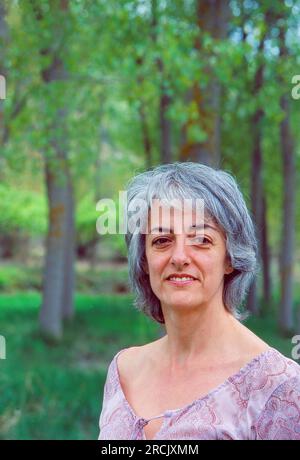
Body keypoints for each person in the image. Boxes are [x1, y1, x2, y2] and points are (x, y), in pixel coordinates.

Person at [98, 162, 300, 440]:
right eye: (162, 240)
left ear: (230, 257)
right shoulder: (123, 371)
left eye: (201, 239)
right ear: (143, 260)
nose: (179, 257)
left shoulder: (280, 388)